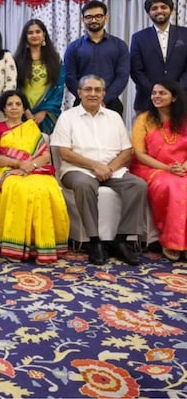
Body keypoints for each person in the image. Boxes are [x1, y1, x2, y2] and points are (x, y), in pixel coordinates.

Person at [50, 74, 146, 266]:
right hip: (77, 170)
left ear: (103, 94)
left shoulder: (114, 117)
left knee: (138, 185)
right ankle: (95, 242)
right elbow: (65, 153)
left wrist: (108, 168)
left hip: (112, 170)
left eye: (97, 90)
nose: (92, 94)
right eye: (88, 89)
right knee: (85, 185)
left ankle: (120, 240)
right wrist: (95, 166)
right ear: (79, 93)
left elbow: (127, 151)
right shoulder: (67, 117)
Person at [0, 90, 69, 263]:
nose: (14, 108)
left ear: (24, 108)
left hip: (35, 169)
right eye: (9, 104)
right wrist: (18, 165)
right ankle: (14, 246)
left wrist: (29, 167)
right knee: (17, 188)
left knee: (47, 189)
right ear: (3, 108)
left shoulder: (31, 127)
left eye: (18, 104)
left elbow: (45, 156)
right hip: (6, 169)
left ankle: (43, 246)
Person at [130, 81, 187, 261]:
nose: (156, 96)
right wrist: (167, 168)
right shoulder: (144, 119)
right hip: (150, 168)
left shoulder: (184, 120)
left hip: (181, 168)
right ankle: (172, 242)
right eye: (154, 93)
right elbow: (139, 153)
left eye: (162, 93)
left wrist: (184, 167)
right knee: (173, 186)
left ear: (174, 97)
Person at [64, 0, 129, 115]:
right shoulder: (73, 47)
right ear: (82, 19)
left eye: (98, 16)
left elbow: (122, 76)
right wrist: (86, 98)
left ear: (106, 18)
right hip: (81, 104)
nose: (93, 20)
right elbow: (70, 77)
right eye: (89, 17)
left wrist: (104, 99)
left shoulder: (119, 45)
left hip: (111, 104)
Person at [130, 0, 187, 112]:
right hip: (147, 101)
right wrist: (156, 92)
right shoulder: (138, 38)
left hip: (180, 100)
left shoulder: (184, 34)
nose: (159, 11)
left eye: (163, 7)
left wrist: (174, 91)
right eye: (154, 8)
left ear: (171, 10)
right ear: (148, 13)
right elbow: (136, 70)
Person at [14, 19, 65, 134]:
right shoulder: (17, 60)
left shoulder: (55, 59)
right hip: (22, 113)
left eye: (38, 32)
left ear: (44, 35)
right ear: (25, 36)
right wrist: (27, 113)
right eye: (30, 33)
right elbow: (15, 88)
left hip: (47, 115)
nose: (34, 35)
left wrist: (45, 111)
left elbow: (59, 88)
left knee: (46, 147)